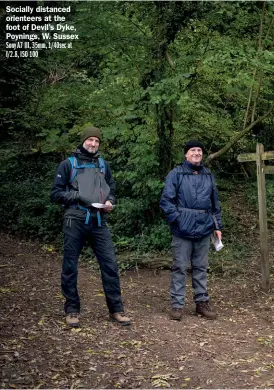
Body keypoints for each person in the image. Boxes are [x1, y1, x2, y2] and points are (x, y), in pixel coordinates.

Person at [50, 126, 130, 327]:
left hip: (99, 221)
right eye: (90, 140)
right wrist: (78, 196)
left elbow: (111, 190)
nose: (93, 144)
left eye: (97, 141)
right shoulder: (68, 164)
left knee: (110, 265)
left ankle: (116, 310)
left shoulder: (103, 165)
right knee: (70, 266)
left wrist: (110, 202)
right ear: (83, 141)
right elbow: (55, 194)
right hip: (74, 219)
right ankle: (72, 310)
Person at [160, 140, 222, 321]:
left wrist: (217, 226)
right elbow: (166, 201)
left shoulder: (208, 175)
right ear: (186, 154)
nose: (196, 153)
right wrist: (178, 219)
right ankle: (177, 305)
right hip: (182, 229)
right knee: (180, 267)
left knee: (201, 267)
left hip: (204, 228)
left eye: (199, 150)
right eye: (193, 150)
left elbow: (215, 204)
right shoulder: (176, 174)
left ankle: (201, 303)